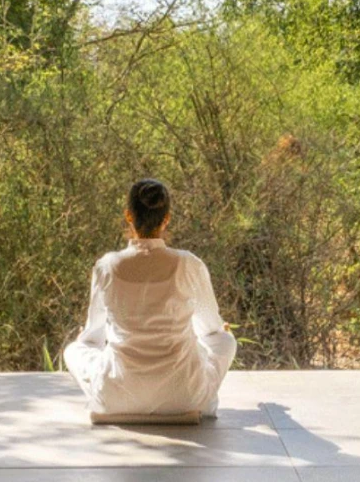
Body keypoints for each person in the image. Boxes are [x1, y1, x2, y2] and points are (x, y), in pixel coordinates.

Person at [64, 179, 237, 417]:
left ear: (128, 216)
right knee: (225, 341)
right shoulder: (189, 264)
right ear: (166, 218)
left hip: (118, 396)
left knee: (74, 350)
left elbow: (94, 335)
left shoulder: (106, 266)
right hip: (185, 397)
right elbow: (210, 330)